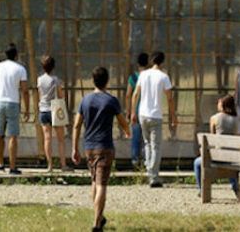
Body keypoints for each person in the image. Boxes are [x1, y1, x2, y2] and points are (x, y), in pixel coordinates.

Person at [72, 66, 129, 232]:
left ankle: (100, 216)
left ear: (93, 80)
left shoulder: (85, 100)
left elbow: (76, 125)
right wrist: (127, 131)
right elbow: (122, 121)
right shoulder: (111, 101)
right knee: (102, 184)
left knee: (94, 182)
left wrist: (74, 148)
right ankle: (96, 224)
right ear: (107, 81)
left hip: (89, 147)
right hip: (105, 147)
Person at [130, 51, 175, 187]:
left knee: (147, 143)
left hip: (142, 113)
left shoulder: (143, 74)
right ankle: (153, 176)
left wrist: (133, 112)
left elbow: (135, 94)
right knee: (156, 146)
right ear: (162, 62)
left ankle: (150, 171)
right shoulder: (164, 77)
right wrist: (173, 115)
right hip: (155, 114)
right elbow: (169, 98)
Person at [0, 43, 29, 175]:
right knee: (13, 136)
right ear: (16, 55)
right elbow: (24, 90)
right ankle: (12, 166)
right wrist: (27, 108)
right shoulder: (21, 69)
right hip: (13, 102)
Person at [193, 95, 239, 198]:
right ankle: (236, 188)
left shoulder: (214, 118)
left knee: (197, 163)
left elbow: (212, 138)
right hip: (233, 157)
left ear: (223, 105)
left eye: (219, 102)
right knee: (231, 162)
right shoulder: (236, 120)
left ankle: (202, 189)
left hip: (218, 157)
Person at [37, 55, 71, 172]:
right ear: (53, 67)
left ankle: (50, 165)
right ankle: (63, 164)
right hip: (54, 110)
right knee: (60, 139)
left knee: (47, 138)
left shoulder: (39, 80)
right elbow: (60, 95)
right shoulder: (56, 80)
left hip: (43, 109)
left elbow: (40, 94)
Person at [125, 53, 148, 170]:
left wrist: (129, 111)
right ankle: (145, 160)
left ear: (138, 64)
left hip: (136, 111)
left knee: (135, 137)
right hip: (147, 111)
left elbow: (128, 95)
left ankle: (135, 161)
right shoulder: (149, 77)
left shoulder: (133, 78)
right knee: (146, 139)